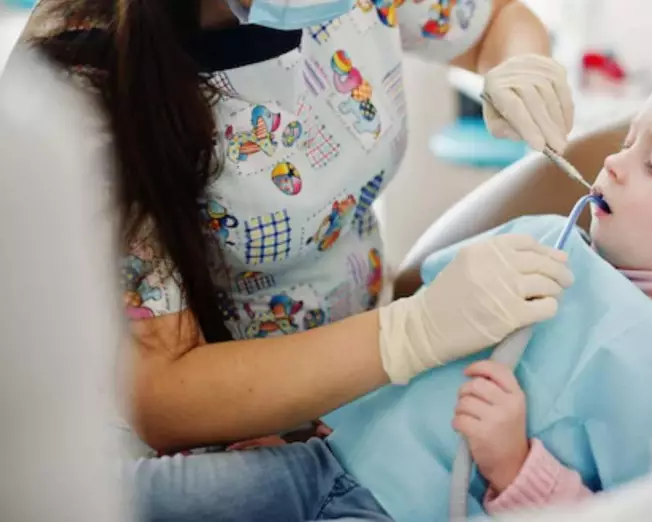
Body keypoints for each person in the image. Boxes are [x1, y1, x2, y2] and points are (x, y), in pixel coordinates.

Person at [21, 0, 577, 520]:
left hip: (356, 407)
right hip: (197, 451)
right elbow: (162, 396)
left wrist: (522, 63)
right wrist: (412, 333)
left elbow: (497, 18)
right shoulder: (81, 78)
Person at [306, 69, 652, 519]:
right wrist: (315, 413)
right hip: (321, 457)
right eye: (628, 142)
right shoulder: (538, 241)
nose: (613, 162)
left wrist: (516, 466)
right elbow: (405, 334)